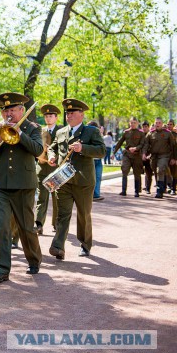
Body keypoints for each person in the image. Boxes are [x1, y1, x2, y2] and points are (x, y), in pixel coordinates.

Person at [0, 92, 43, 283]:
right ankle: (2, 270)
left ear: (21, 110)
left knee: (26, 227)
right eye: (5, 110)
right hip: (1, 184)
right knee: (2, 227)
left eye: (12, 110)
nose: (8, 114)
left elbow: (38, 150)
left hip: (24, 185)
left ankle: (34, 259)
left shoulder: (32, 128)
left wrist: (19, 133)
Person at [48, 99, 105, 260]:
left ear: (82, 114)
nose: (69, 115)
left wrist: (83, 148)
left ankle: (86, 245)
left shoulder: (91, 131)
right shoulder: (61, 132)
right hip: (63, 181)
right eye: (67, 112)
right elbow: (52, 147)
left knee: (83, 214)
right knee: (62, 214)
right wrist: (52, 156)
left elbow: (101, 151)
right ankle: (58, 246)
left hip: (83, 181)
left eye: (72, 112)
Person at [35, 104, 61, 234]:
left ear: (56, 117)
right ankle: (38, 223)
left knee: (56, 198)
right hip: (41, 168)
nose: (48, 118)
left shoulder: (62, 131)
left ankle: (56, 223)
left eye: (50, 116)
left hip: (55, 169)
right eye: (46, 116)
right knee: (41, 197)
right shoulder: (39, 131)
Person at [142, 117, 175, 199]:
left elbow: (173, 146)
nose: (158, 124)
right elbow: (146, 144)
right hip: (154, 156)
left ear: (162, 124)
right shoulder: (150, 133)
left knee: (160, 169)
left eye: (159, 123)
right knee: (156, 172)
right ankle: (162, 186)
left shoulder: (168, 133)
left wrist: (173, 157)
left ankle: (159, 192)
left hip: (164, 155)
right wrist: (144, 153)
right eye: (156, 123)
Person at [113, 117, 145, 197]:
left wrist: (136, 148)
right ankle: (124, 190)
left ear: (137, 123)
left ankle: (136, 191)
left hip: (137, 155)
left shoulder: (141, 133)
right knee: (124, 170)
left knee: (136, 173)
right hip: (127, 154)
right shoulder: (126, 132)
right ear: (129, 123)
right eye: (131, 122)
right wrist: (113, 153)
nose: (133, 124)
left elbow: (142, 144)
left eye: (134, 122)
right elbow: (120, 143)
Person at [90, 121, 105, 201]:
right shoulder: (88, 136)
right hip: (91, 160)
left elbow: (103, 147)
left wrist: (101, 134)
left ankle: (96, 194)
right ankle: (90, 194)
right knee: (91, 178)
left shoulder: (99, 136)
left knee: (98, 177)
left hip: (98, 160)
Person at [141, 121, 153, 194]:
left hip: (149, 157)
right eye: (143, 127)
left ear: (148, 127)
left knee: (149, 173)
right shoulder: (141, 135)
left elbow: (153, 146)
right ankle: (138, 187)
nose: (144, 128)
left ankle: (148, 188)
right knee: (138, 171)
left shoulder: (151, 135)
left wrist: (150, 155)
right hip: (141, 156)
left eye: (146, 127)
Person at [165, 119, 177, 195]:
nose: (169, 126)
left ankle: (173, 189)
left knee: (174, 173)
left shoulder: (175, 135)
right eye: (168, 124)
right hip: (165, 156)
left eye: (171, 124)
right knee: (165, 172)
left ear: (173, 125)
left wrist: (175, 159)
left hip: (173, 156)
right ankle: (167, 187)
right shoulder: (164, 134)